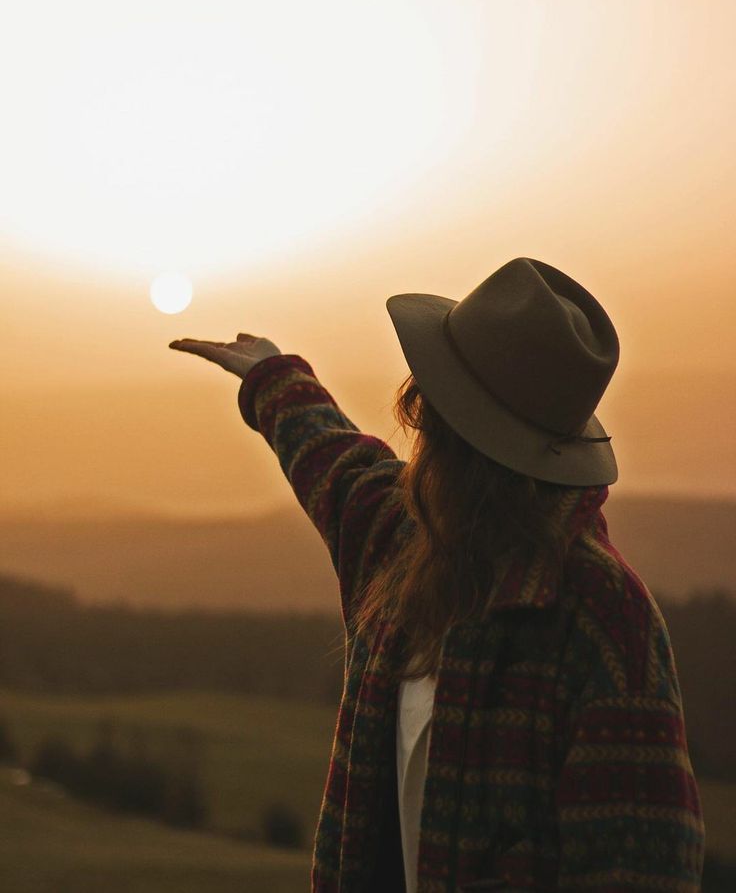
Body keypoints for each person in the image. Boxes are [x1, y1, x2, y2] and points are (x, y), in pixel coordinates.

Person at [169, 257, 705, 893]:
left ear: (457, 443)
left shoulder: (604, 620)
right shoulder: (407, 539)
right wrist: (270, 375)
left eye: (428, 416)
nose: (415, 435)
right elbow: (335, 461)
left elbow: (639, 870)